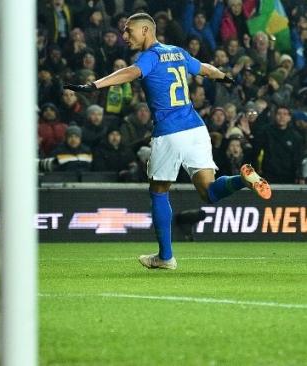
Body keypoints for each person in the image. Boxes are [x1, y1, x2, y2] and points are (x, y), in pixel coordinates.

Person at [64, 13, 271, 270]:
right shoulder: (178, 52)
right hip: (196, 129)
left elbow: (130, 72)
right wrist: (224, 77)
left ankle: (165, 257)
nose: (125, 36)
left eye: (129, 31)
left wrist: (95, 85)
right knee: (209, 192)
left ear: (146, 31)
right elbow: (206, 69)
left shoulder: (149, 57)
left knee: (159, 192)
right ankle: (244, 179)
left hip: (170, 131)